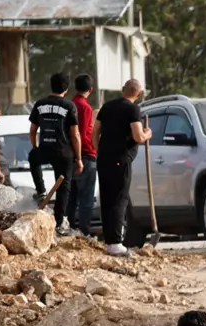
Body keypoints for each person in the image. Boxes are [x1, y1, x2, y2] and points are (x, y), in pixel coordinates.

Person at [94, 78, 151, 258]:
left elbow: (94, 131)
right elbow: (137, 136)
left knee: (107, 198)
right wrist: (147, 134)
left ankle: (110, 241)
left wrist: (99, 151)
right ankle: (116, 243)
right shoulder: (133, 109)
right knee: (119, 199)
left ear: (122, 90)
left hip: (104, 158)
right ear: (139, 94)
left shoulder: (107, 106)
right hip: (120, 159)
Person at [29, 73, 83, 232]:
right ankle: (59, 222)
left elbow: (33, 130)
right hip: (64, 152)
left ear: (51, 86)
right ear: (66, 88)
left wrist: (36, 147)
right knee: (64, 186)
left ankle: (40, 190)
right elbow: (75, 135)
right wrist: (79, 159)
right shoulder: (69, 106)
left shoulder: (40, 104)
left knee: (33, 158)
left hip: (45, 148)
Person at [68, 74, 96, 237]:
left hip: (71, 155)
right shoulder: (84, 107)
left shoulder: (70, 104)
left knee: (71, 198)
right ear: (91, 89)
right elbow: (82, 133)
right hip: (85, 154)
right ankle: (84, 232)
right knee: (86, 199)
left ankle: (69, 229)